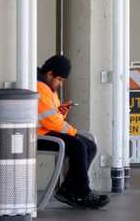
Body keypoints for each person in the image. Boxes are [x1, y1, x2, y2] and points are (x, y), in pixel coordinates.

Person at [36, 56, 110, 209]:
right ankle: (82, 192)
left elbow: (52, 117)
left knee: (89, 145)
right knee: (78, 145)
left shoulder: (48, 88)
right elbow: (51, 121)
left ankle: (69, 189)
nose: (60, 84)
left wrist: (61, 111)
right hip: (38, 136)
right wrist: (73, 132)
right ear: (50, 74)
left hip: (47, 132)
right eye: (60, 79)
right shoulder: (40, 88)